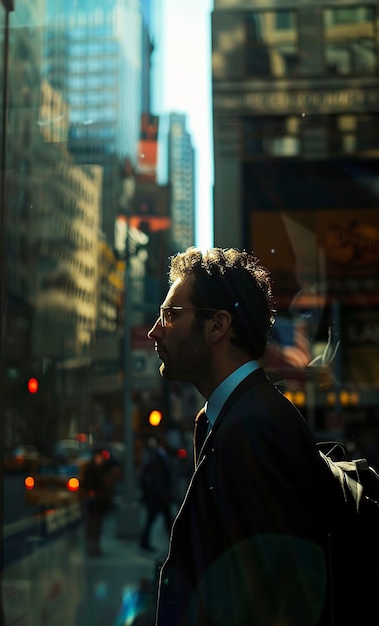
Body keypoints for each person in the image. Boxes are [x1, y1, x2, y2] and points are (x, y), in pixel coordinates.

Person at [147, 247, 331, 626]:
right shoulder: (241, 416)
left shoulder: (254, 428)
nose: (155, 330)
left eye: (170, 315)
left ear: (218, 326)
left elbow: (275, 604)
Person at [138, 435, 174, 552]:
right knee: (160, 519)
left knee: (162, 519)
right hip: (159, 493)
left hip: (158, 493)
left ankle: (173, 542)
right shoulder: (157, 456)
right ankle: (173, 542)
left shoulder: (159, 455)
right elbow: (158, 476)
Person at [81, 448, 117, 556]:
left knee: (97, 523)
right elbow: (87, 484)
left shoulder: (104, 469)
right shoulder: (90, 470)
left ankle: (95, 544)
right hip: (92, 499)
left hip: (100, 500)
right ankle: (90, 544)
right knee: (91, 523)